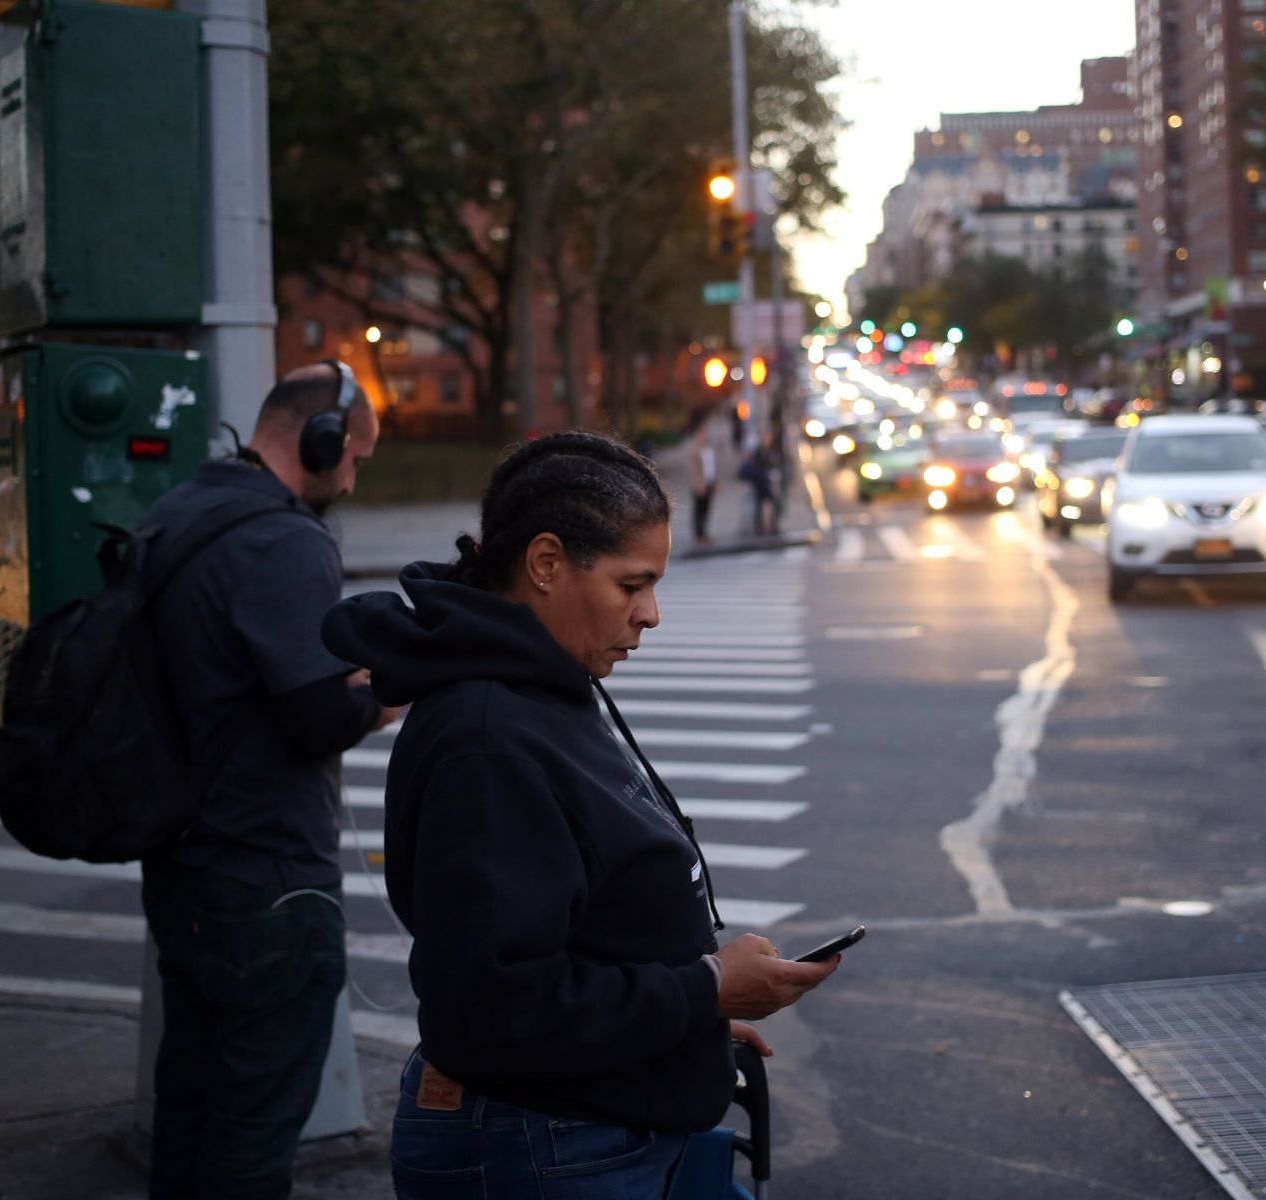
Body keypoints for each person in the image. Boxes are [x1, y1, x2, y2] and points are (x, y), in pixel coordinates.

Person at [322, 431, 838, 1199]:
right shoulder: (489, 739)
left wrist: (685, 1024)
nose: (651, 615)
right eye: (632, 586)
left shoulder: (540, 687)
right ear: (547, 564)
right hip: (544, 1146)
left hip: (578, 1128)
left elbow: (578, 929)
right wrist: (701, 990)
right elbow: (493, 1007)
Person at [139, 361, 401, 1199]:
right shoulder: (284, 540)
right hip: (271, 878)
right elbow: (319, 717)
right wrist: (394, 689)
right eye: (355, 456)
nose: (353, 477)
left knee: (190, 1103)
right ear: (323, 442)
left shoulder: (183, 509)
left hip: (184, 863)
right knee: (255, 1130)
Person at [683, 407, 719, 546]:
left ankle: (704, 533)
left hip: (708, 482)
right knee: (699, 510)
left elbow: (711, 467)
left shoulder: (707, 448)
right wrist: (698, 484)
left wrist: (715, 481)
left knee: (706, 509)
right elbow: (693, 469)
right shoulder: (693, 449)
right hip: (700, 484)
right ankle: (698, 534)